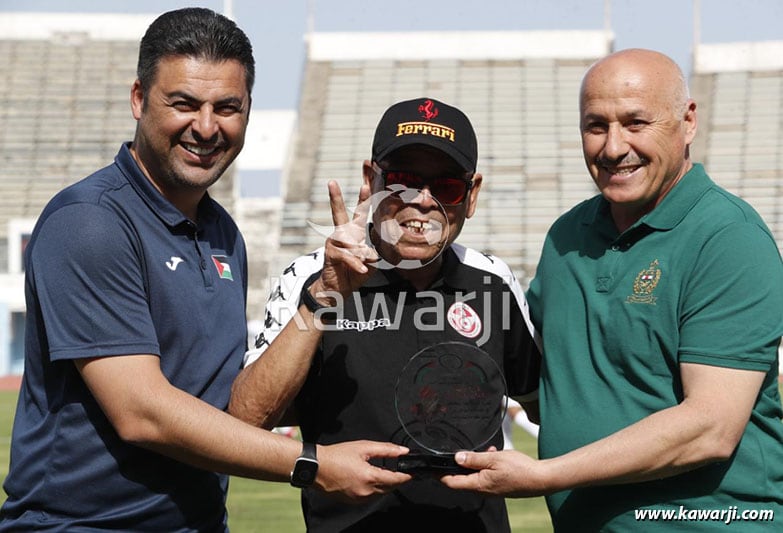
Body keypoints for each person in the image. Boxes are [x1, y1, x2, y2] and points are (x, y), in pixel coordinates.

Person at [0, 8, 410, 532]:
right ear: (138, 99)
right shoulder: (90, 223)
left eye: (228, 107)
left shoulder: (222, 234)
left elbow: (232, 413)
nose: (207, 127)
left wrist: (324, 294)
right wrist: (312, 464)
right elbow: (142, 414)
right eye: (184, 104)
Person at [441, 48, 783, 531]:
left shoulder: (728, 237)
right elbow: (539, 380)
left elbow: (710, 428)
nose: (613, 146)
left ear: (688, 122)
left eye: (636, 122)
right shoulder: (566, 236)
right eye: (596, 125)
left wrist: (545, 475)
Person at [229, 97, 542, 532]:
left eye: (447, 186)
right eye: (403, 181)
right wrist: (324, 297)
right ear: (370, 180)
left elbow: (547, 405)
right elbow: (246, 422)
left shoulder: (493, 282)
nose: (423, 201)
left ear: (471, 197)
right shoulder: (310, 277)